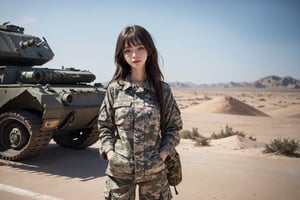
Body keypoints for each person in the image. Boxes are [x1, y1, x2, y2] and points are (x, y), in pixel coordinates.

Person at [98, 25, 183, 200]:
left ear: (149, 50)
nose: (134, 55)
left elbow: (173, 128)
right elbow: (104, 126)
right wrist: (111, 154)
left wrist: (162, 155)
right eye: (128, 50)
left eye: (140, 48)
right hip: (120, 174)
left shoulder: (162, 90)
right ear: (121, 54)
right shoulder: (114, 89)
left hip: (154, 174)